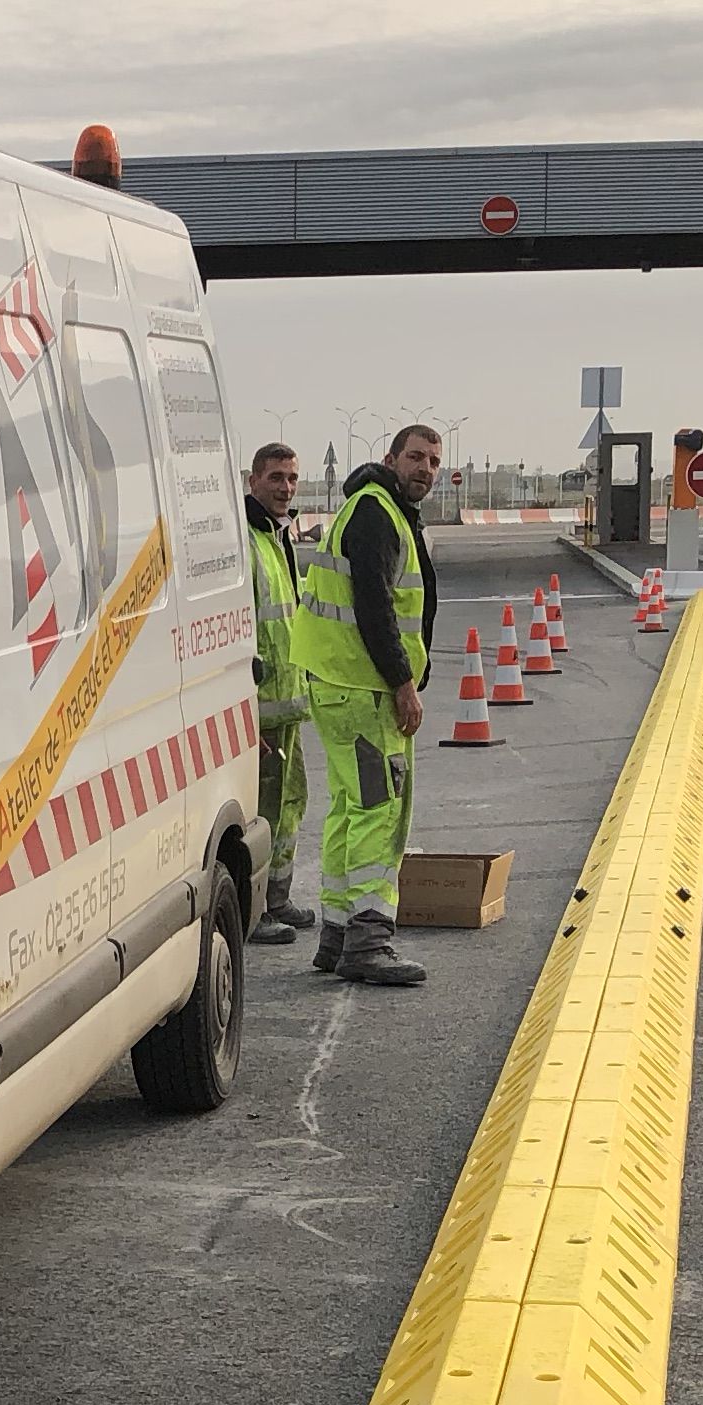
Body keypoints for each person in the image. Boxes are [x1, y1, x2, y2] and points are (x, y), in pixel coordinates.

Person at [297, 421, 444, 988]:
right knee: (381, 810)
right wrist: (403, 683)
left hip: (338, 683)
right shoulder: (378, 513)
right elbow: (374, 608)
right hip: (363, 689)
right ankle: (368, 938)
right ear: (391, 457)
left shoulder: (373, 509)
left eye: (433, 461)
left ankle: (336, 936)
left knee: (350, 807)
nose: (425, 469)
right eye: (416, 457)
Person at [241, 441, 312, 943]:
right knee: (260, 813)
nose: (285, 488)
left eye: (291, 478)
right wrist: (245, 718)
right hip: (261, 713)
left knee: (290, 804)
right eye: (275, 478)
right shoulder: (247, 541)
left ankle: (278, 897)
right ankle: (256, 910)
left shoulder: (277, 537)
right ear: (253, 482)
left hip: (288, 705)